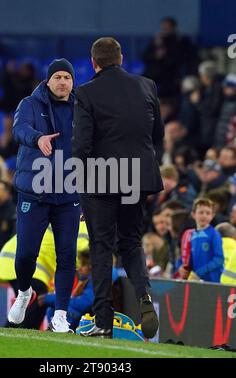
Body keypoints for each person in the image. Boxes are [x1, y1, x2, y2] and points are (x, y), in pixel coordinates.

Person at [72, 37, 163, 339]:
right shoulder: (147, 85)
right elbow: (157, 134)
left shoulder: (85, 94)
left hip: (101, 179)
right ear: (121, 58)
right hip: (137, 177)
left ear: (94, 62)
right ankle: (144, 295)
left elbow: (82, 147)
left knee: (101, 245)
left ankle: (103, 320)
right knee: (131, 242)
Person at [8, 58, 81, 333]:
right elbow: (18, 129)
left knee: (67, 256)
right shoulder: (29, 104)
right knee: (26, 254)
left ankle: (60, 314)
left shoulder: (81, 108)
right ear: (48, 80)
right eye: (58, 77)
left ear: (72, 82)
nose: (63, 82)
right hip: (34, 192)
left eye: (67, 77)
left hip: (68, 193)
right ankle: (25, 292)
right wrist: (38, 138)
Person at [186, 198, 224, 283]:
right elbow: (190, 258)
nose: (204, 215)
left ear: (212, 215)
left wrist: (200, 272)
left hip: (213, 281)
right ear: (193, 214)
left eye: (208, 213)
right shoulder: (192, 235)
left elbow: (219, 259)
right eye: (201, 212)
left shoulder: (214, 234)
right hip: (197, 280)